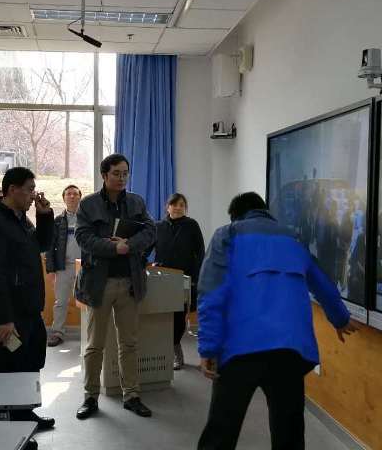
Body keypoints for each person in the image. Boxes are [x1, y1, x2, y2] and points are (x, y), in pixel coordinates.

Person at [197, 192, 358, 450]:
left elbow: (211, 293)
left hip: (240, 349)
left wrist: (208, 348)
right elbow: (322, 283)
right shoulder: (293, 239)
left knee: (221, 433)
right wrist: (340, 319)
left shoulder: (228, 234)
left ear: (236, 216)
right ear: (264, 211)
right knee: (289, 436)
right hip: (289, 350)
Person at [74, 153, 156, 420]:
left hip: (130, 282)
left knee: (129, 343)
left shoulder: (136, 202)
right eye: (116, 174)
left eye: (125, 173)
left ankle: (131, 395)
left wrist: (128, 245)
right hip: (99, 283)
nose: (122, 178)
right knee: (95, 345)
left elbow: (151, 231)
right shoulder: (88, 204)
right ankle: (90, 397)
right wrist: (113, 248)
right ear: (104, 175)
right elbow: (83, 237)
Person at [0, 167, 55, 430]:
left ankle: (25, 415)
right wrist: (4, 319)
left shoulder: (21, 219)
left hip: (29, 309)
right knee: (9, 370)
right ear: (12, 190)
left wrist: (44, 216)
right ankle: (9, 428)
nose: (33, 195)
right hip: (10, 316)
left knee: (30, 363)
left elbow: (42, 245)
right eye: (29, 190)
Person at [154, 193, 205, 370]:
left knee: (178, 317)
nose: (178, 208)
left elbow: (200, 253)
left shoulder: (192, 225)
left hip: (185, 279)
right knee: (162, 316)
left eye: (181, 205)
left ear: (185, 208)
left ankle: (177, 351)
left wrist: (196, 278)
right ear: (167, 207)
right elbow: (147, 249)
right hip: (161, 279)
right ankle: (161, 352)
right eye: (174, 204)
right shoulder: (158, 226)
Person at [45, 184, 82, 347]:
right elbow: (50, 246)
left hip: (84, 267)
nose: (72, 196)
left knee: (87, 302)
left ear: (80, 197)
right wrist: (51, 270)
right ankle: (57, 333)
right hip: (63, 267)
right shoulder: (58, 221)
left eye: (75, 194)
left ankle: (89, 333)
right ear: (64, 198)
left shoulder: (87, 219)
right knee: (61, 302)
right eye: (68, 194)